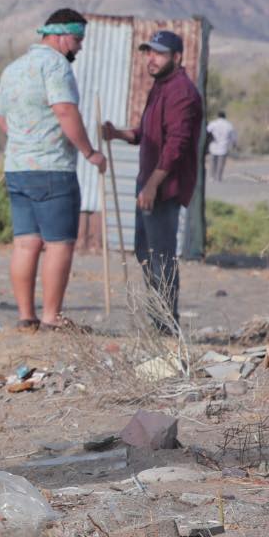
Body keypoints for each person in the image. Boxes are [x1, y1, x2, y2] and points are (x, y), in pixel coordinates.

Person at [0, 8, 106, 333]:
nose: (80, 47)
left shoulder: (13, 68)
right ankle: (51, 316)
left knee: (26, 243)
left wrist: (25, 139)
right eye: (78, 39)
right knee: (59, 243)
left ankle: (26, 317)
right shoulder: (55, 66)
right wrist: (90, 152)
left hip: (17, 168)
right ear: (60, 35)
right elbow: (65, 110)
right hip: (52, 168)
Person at [102, 30, 204, 335]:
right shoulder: (161, 87)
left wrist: (153, 184)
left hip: (163, 187)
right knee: (145, 253)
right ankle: (159, 319)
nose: (152, 58)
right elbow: (149, 134)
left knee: (160, 257)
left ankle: (166, 325)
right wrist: (118, 134)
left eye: (158, 53)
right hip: (149, 183)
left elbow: (176, 144)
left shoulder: (181, 92)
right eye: (149, 53)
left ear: (176, 57)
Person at [206, 110, 237, 182]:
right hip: (223, 147)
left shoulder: (213, 124)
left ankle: (211, 177)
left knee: (212, 162)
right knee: (221, 163)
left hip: (213, 146)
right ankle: (218, 177)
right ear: (225, 116)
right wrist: (234, 144)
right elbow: (233, 136)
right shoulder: (228, 125)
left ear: (218, 116)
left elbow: (207, 132)